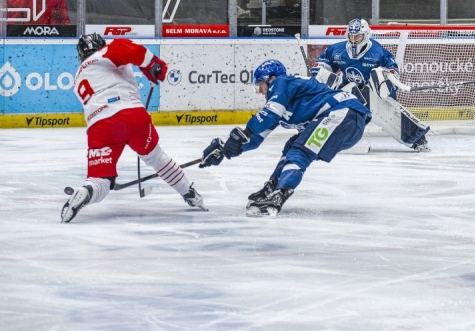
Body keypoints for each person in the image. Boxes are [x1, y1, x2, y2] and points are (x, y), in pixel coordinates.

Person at [61, 33, 206, 223]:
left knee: (100, 179)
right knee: (156, 158)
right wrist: (154, 65)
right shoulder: (107, 51)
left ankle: (85, 191)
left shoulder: (78, 76)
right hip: (131, 115)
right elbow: (133, 49)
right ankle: (189, 193)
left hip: (100, 126)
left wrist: (148, 67)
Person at [199, 59, 371, 218]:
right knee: (292, 146)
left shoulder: (282, 83)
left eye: (260, 85)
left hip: (343, 113)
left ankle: (279, 196)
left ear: (271, 78)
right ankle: (272, 187)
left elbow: (266, 117)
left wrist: (242, 134)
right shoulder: (280, 104)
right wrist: (225, 148)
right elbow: (256, 138)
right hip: (347, 122)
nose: (260, 92)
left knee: (300, 151)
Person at [312, 18, 430, 151]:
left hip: (373, 95)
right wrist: (320, 71)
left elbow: (392, 70)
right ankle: (320, 134)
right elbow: (323, 62)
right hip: (349, 92)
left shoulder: (377, 51)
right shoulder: (337, 49)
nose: (354, 39)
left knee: (379, 79)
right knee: (328, 95)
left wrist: (387, 76)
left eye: (357, 36)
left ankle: (416, 138)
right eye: (351, 35)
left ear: (366, 35)